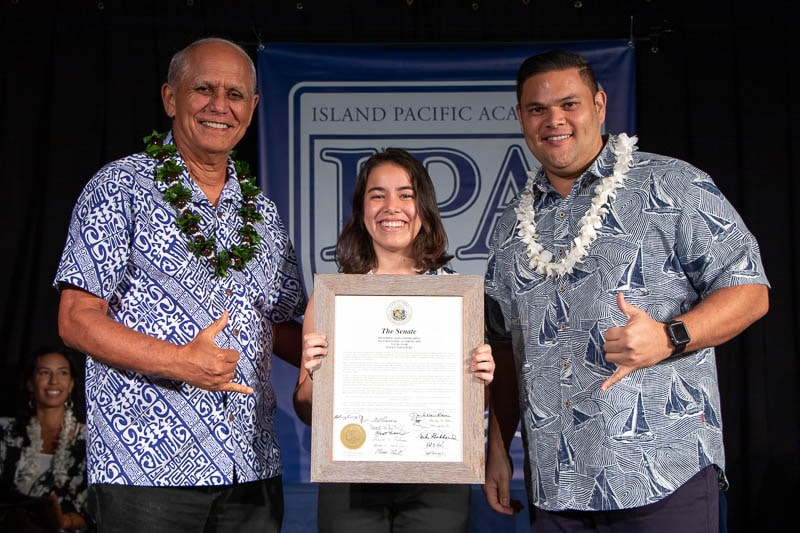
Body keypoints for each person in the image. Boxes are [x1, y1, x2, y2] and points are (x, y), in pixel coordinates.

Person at [482, 49, 770, 532]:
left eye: (569, 104)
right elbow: (508, 349)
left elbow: (750, 291)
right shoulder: (510, 227)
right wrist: (497, 447)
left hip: (661, 474)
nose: (554, 120)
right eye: (537, 109)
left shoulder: (674, 184)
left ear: (599, 104)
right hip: (557, 485)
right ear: (521, 118)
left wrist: (670, 336)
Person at [53, 37, 306, 532]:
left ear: (252, 108)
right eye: (203, 89)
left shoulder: (264, 215)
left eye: (235, 94)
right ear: (171, 98)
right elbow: (76, 320)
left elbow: (278, 329)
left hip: (251, 467)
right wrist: (181, 362)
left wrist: (365, 357)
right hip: (147, 469)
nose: (219, 106)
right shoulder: (119, 187)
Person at [293, 148, 496, 533]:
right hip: (352, 478)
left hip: (435, 478)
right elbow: (306, 409)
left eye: (405, 194)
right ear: (362, 209)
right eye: (377, 195)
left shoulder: (456, 298)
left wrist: (482, 381)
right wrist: (315, 376)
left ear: (424, 206)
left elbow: (474, 408)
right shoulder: (335, 297)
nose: (392, 207)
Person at [0, 345, 90, 532]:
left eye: (63, 373)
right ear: (30, 383)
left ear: (72, 383)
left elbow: (95, 512)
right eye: (44, 372)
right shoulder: (5, 431)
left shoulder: (88, 440)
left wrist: (64, 522)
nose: (54, 381)